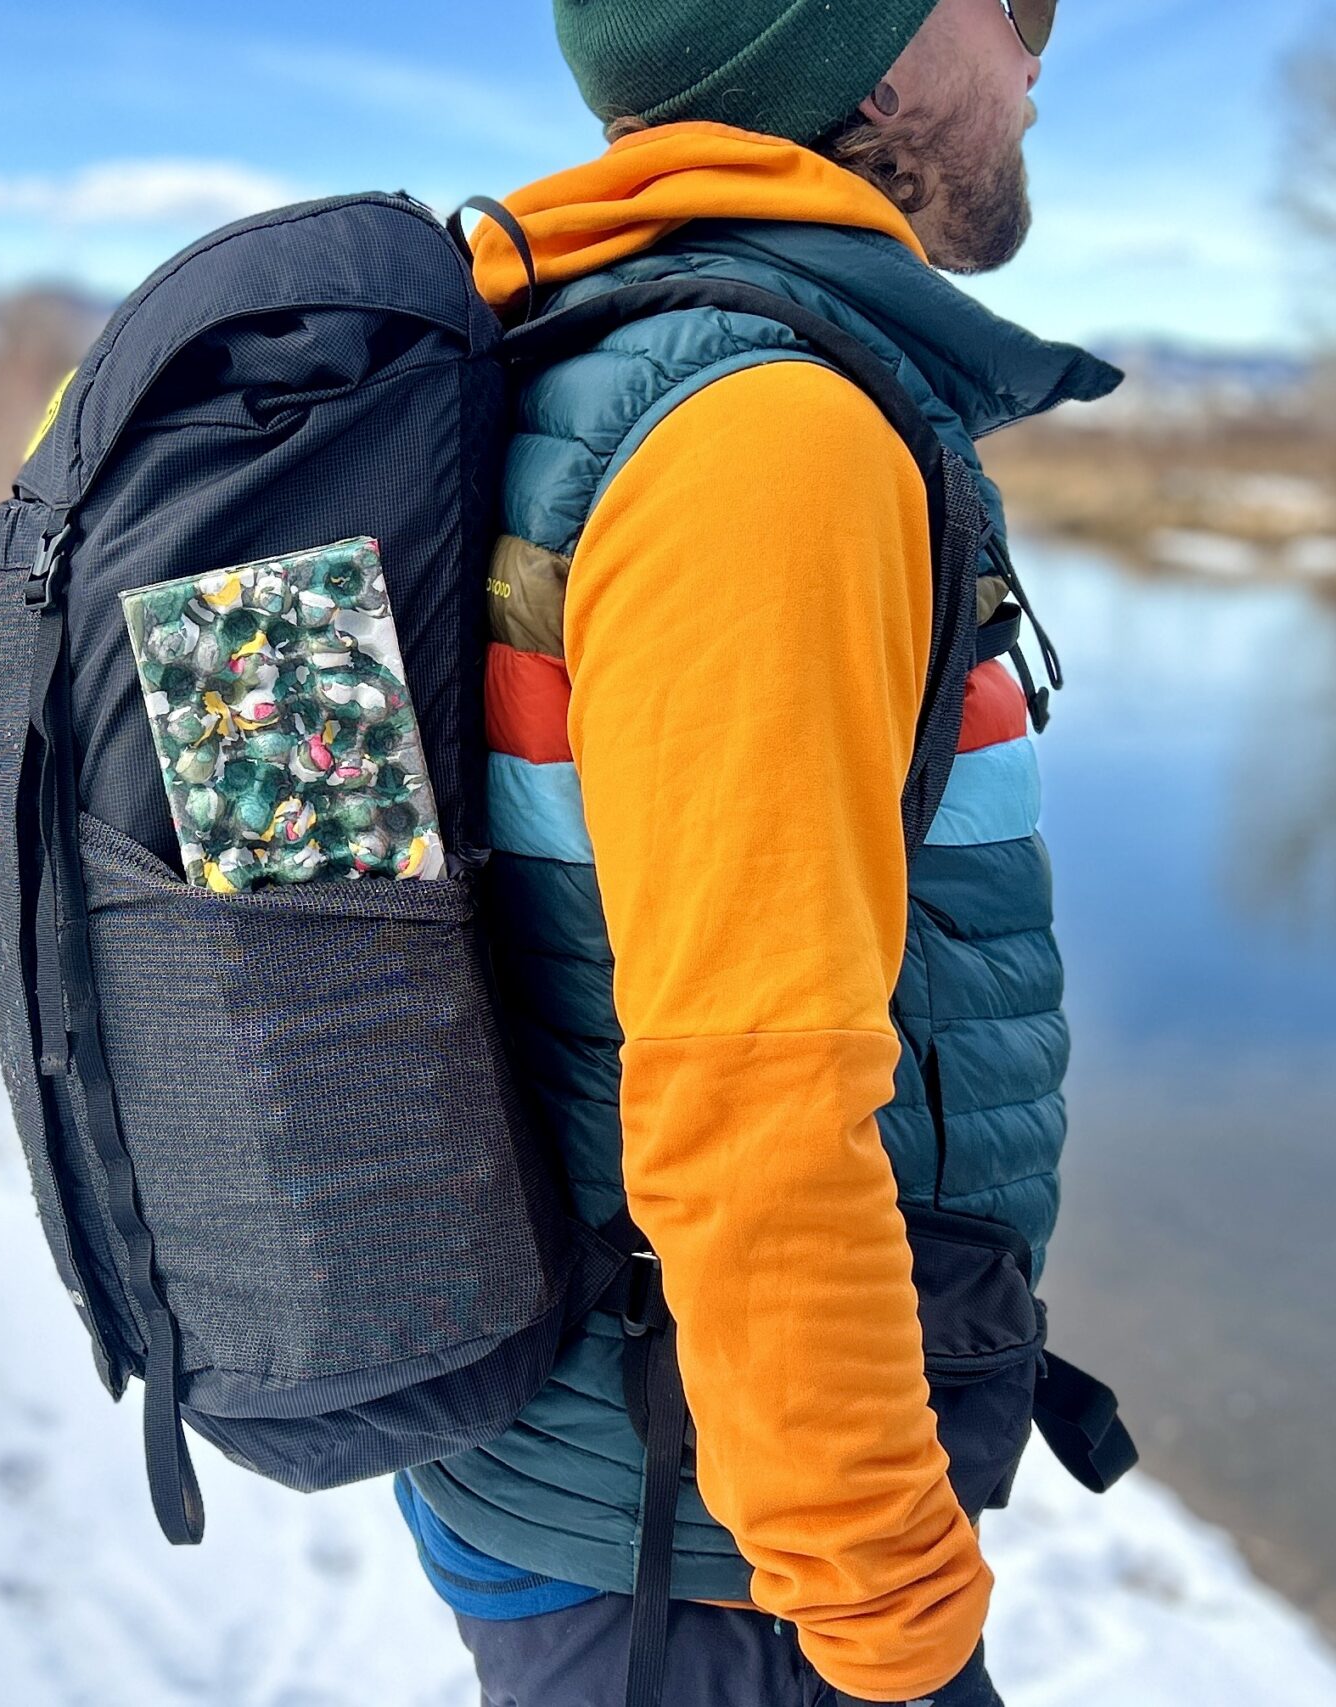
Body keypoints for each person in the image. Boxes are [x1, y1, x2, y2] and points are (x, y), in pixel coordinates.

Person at [396, 1, 1113, 1702]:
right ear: (870, 63)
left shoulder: (592, 343)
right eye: (1008, 6)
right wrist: (880, 1591)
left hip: (611, 1480)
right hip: (712, 1553)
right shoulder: (763, 434)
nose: (1037, 55)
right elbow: (750, 1091)